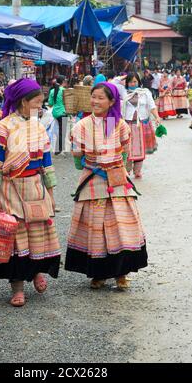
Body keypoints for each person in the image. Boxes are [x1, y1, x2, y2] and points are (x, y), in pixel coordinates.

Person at [0, 79, 61, 308]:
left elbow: (47, 162)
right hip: (9, 189)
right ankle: (17, 288)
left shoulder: (39, 127)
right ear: (23, 102)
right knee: (14, 238)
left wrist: (50, 193)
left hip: (34, 187)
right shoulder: (2, 128)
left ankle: (35, 274)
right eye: (37, 102)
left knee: (36, 233)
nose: (40, 108)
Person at [65, 82, 148, 290]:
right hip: (93, 182)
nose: (95, 101)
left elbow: (125, 155)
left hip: (117, 182)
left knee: (121, 226)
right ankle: (98, 273)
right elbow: (77, 159)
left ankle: (121, 273)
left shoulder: (119, 125)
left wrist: (117, 169)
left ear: (112, 101)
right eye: (93, 97)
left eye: (101, 98)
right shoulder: (81, 126)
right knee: (97, 227)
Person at [122, 73, 160, 179]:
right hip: (127, 124)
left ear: (139, 82)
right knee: (128, 149)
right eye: (130, 81)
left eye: (135, 81)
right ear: (126, 83)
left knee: (140, 149)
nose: (133, 83)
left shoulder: (145, 92)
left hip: (142, 124)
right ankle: (127, 170)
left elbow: (152, 105)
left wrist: (157, 117)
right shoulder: (123, 93)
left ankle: (137, 171)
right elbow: (113, 84)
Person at [48, 76, 68, 156]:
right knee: (62, 131)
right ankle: (58, 149)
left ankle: (58, 148)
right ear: (63, 81)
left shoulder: (52, 91)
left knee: (57, 130)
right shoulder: (65, 91)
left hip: (55, 113)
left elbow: (50, 103)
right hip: (63, 112)